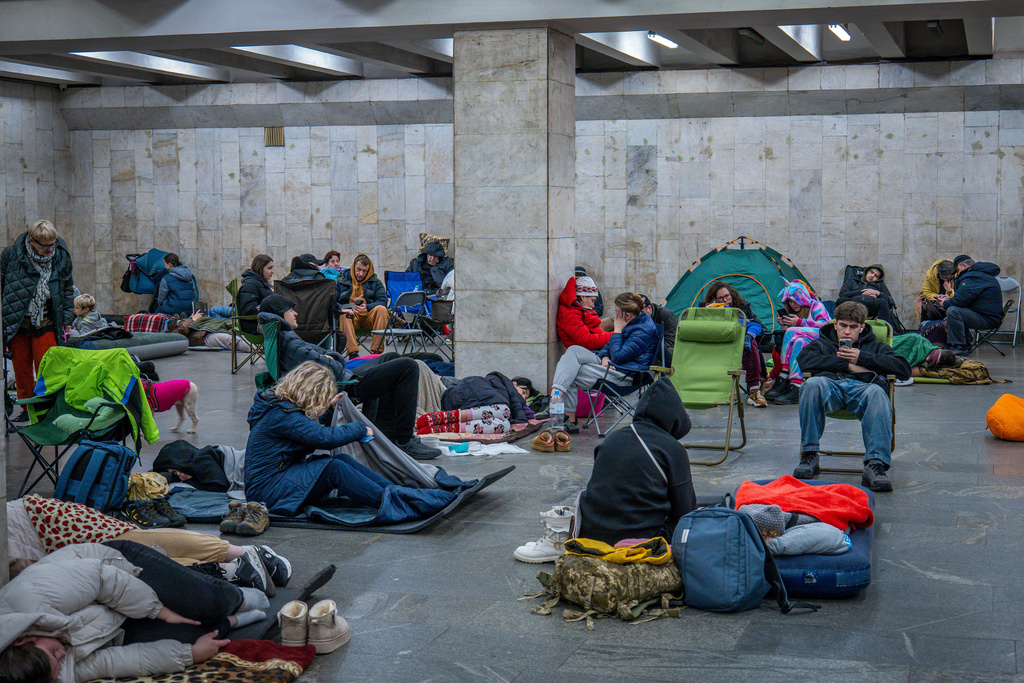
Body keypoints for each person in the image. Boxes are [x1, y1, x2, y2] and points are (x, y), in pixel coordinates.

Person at [0, 542, 238, 683]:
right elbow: (112, 662)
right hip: (112, 621)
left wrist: (161, 612)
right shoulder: (48, 673)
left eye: (53, 651)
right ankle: (233, 614)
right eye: (58, 661)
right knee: (192, 637)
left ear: (23, 640)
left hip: (116, 566)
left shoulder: (31, 596)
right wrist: (189, 655)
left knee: (208, 603)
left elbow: (103, 579)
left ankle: (241, 590)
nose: (63, 653)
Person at [513, 378, 694, 563]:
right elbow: (684, 510)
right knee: (692, 522)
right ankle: (632, 545)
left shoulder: (613, 438)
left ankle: (562, 540)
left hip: (592, 532)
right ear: (675, 419)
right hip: (643, 535)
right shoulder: (672, 449)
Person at [246, 361, 446, 517]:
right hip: (267, 492)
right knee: (334, 469)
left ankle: (397, 491)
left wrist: (330, 410)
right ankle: (395, 500)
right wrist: (360, 429)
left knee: (340, 461)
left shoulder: (279, 407)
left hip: (274, 481)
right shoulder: (282, 414)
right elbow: (323, 438)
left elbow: (305, 431)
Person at [257, 295, 440, 459]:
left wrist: (332, 357)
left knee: (391, 358)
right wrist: (334, 359)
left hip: (340, 377)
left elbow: (323, 357)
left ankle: (388, 433)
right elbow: (324, 368)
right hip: (341, 385)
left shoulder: (284, 336)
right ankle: (405, 441)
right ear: (280, 313)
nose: (295, 313)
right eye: (290, 309)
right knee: (407, 366)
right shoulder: (288, 341)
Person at [7, 494, 291, 596]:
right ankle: (230, 567)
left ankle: (241, 555)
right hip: (32, 535)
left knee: (127, 545)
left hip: (33, 524)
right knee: (131, 564)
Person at [793, 301, 911, 492]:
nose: (847, 331)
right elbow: (804, 361)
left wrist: (862, 358)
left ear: (862, 327)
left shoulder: (875, 346)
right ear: (835, 324)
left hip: (863, 389)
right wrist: (847, 365)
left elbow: (903, 369)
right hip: (830, 387)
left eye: (853, 327)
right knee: (811, 384)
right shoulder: (822, 343)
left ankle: (875, 463)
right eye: (843, 326)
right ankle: (809, 454)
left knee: (878, 393)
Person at [550, 292, 659, 433]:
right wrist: (604, 358)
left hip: (624, 374)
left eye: (615, 312)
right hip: (610, 364)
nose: (614, 315)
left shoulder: (644, 330)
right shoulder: (632, 321)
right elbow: (608, 347)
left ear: (625, 315)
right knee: (573, 351)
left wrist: (618, 330)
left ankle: (564, 413)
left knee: (571, 372)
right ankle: (556, 395)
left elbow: (619, 356)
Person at [1, 219, 75, 413]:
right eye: (45, 246)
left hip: (47, 320)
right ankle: (28, 410)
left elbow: (67, 289)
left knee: (48, 369)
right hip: (17, 322)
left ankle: (47, 410)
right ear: (32, 241)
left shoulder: (61, 256)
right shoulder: (11, 255)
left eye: (53, 244)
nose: (51, 249)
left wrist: (67, 319)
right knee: (22, 370)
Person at [764, 281, 831, 405]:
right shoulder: (793, 312)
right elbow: (792, 338)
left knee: (792, 332)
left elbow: (826, 326)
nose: (793, 304)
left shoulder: (816, 306)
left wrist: (800, 323)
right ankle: (796, 384)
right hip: (805, 342)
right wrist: (784, 325)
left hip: (823, 341)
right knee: (799, 341)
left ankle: (783, 375)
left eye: (795, 300)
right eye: (790, 301)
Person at [701, 284, 766, 407]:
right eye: (721, 298)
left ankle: (754, 390)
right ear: (714, 300)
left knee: (750, 344)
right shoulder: (707, 312)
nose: (725, 300)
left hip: (738, 346)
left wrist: (749, 335)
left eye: (727, 296)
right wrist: (709, 312)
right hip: (715, 348)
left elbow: (759, 326)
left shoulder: (741, 310)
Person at [939, 255, 1004, 355]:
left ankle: (960, 347)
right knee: (956, 309)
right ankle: (964, 343)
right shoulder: (979, 274)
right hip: (988, 316)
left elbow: (960, 300)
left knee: (953, 311)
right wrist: (950, 300)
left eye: (957, 271)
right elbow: (964, 299)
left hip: (988, 319)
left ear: (964, 266)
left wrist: (945, 303)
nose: (957, 274)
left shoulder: (974, 277)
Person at [336, 254, 390, 358]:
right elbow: (333, 302)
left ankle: (377, 352)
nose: (360, 274)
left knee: (382, 309)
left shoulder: (376, 282)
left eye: (364, 271)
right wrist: (345, 309)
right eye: (358, 269)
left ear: (369, 271)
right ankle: (352, 353)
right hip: (350, 317)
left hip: (369, 317)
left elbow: (383, 301)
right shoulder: (341, 282)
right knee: (343, 313)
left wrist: (368, 307)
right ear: (353, 267)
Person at [556, 275, 611, 351]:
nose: (593, 305)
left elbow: (596, 332)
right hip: (584, 353)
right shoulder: (570, 314)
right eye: (592, 300)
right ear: (583, 297)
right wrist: (614, 336)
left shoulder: (581, 311)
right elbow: (586, 341)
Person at [837, 264, 899, 329]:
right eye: (871, 272)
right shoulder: (853, 280)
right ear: (866, 271)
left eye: (876, 276)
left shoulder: (880, 284)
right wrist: (862, 292)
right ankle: (841, 327)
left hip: (870, 305)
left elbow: (890, 301)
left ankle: (882, 329)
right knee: (840, 301)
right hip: (853, 304)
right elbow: (842, 294)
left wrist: (877, 293)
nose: (872, 276)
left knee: (883, 302)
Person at [235, 254, 275, 335]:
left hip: (262, 323)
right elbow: (248, 310)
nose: (272, 271)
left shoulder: (259, 283)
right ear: (260, 268)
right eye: (269, 268)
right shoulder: (250, 284)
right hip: (254, 327)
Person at [640, 295, 677, 366]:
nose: (638, 316)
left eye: (641, 313)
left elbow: (671, 340)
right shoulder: (636, 318)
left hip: (664, 350)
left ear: (649, 308)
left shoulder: (666, 315)